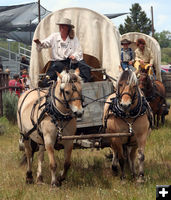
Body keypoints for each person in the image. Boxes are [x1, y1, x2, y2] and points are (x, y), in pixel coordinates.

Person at [34, 18, 91, 86]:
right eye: (60, 26)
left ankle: (84, 83)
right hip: (58, 62)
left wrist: (74, 56)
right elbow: (46, 43)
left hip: (71, 62)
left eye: (63, 26)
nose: (61, 28)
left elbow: (79, 51)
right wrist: (40, 43)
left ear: (68, 28)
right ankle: (45, 83)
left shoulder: (74, 38)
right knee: (55, 68)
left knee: (84, 66)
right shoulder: (54, 36)